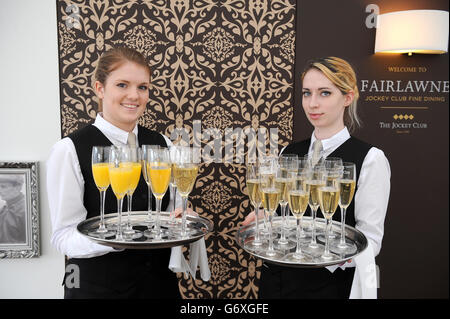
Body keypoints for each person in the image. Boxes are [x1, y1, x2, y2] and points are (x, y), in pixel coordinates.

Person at [243, 57, 390, 298]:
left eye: (324, 93)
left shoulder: (371, 159)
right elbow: (285, 213)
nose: (312, 104)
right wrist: (267, 216)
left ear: (348, 97)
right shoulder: (288, 152)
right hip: (277, 280)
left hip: (327, 288)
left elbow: (371, 240)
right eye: (306, 93)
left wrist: (327, 258)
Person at [47, 46, 181, 298]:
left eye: (143, 87)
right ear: (100, 88)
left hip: (159, 288)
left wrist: (180, 218)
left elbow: (170, 211)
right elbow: (63, 236)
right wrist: (114, 240)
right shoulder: (69, 150)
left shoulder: (164, 144)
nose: (134, 95)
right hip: (97, 289)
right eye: (122, 85)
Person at [0, 174, 26, 244]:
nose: (0, 191)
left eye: (3, 187)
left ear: (18, 187)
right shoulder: (3, 209)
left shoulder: (25, 210)